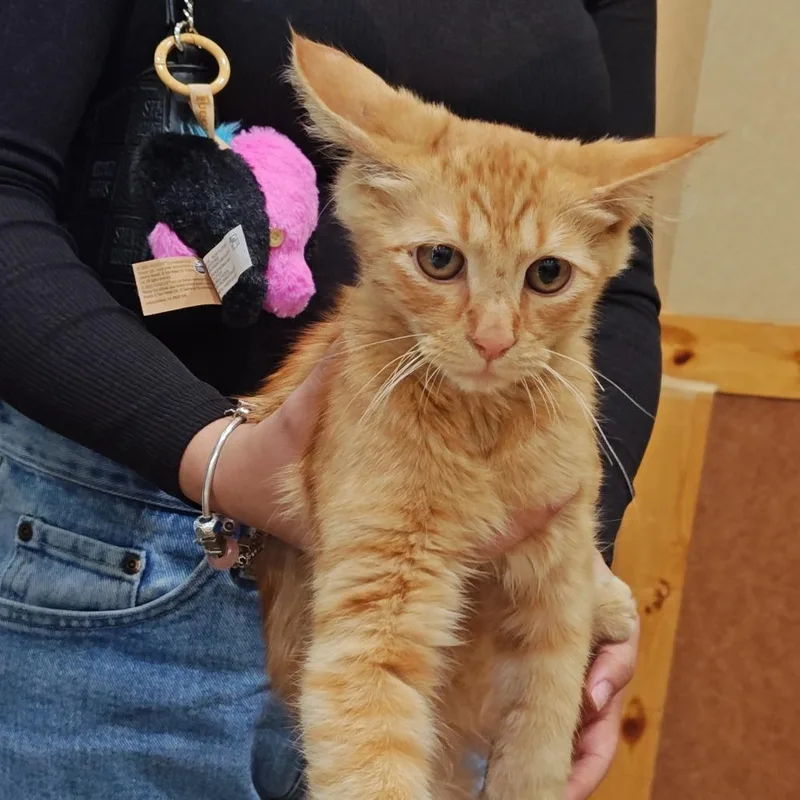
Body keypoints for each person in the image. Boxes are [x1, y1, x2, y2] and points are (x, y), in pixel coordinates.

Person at [0, 1, 653, 798]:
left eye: (544, 276)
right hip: (122, 574)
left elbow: (623, 293)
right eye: (442, 261)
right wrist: (213, 455)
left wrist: (565, 564)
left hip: (474, 617)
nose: (492, 335)